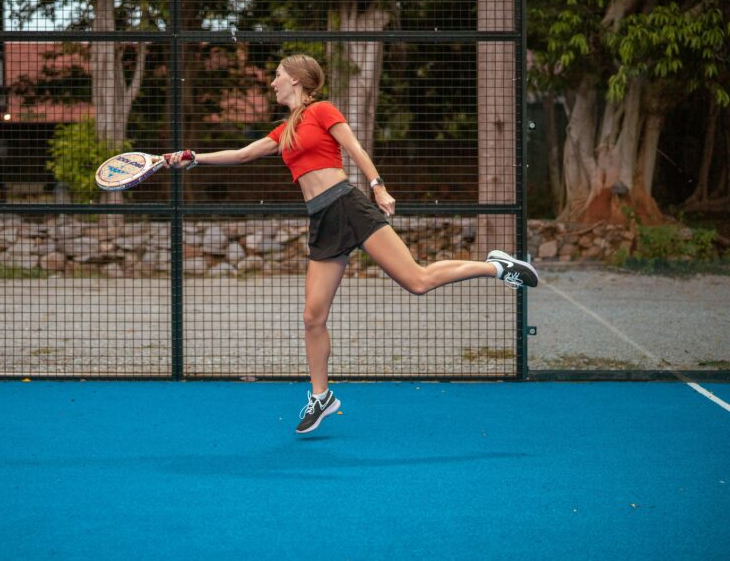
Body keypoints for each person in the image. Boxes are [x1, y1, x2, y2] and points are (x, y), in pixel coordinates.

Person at [166, 54, 538, 434]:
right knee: (313, 317)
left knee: (417, 281)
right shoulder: (286, 130)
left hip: (349, 205)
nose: (272, 82)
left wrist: (378, 187)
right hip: (322, 219)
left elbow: (356, 148)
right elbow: (243, 154)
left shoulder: (323, 110)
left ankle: (496, 266)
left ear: (296, 80)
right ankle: (321, 396)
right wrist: (194, 157)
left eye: (277, 76)